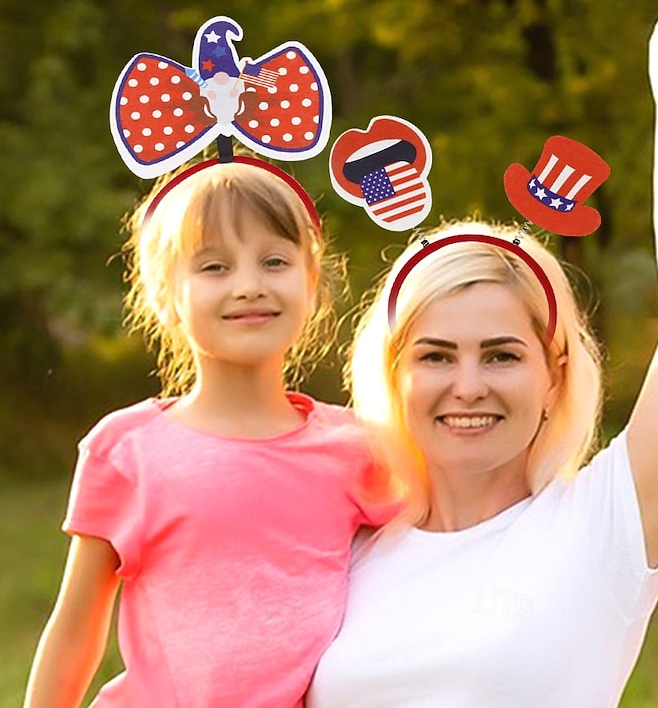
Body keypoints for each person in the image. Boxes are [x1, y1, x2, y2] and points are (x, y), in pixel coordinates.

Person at [307, 0, 658, 707]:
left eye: (501, 354)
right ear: (393, 374)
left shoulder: (608, 524)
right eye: (435, 355)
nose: (469, 385)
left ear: (554, 374)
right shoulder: (342, 549)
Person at [23, 159, 394, 708]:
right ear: (165, 295)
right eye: (215, 267)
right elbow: (75, 632)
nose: (248, 286)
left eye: (274, 262)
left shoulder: (361, 449)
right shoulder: (127, 451)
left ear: (311, 284)